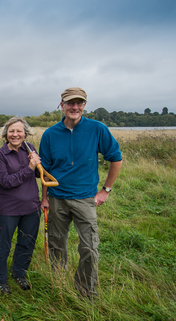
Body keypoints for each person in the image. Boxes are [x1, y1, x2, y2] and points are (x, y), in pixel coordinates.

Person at [39, 87, 123, 299]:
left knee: (89, 247)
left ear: (84, 105)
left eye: (79, 103)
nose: (74, 107)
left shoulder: (97, 129)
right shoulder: (50, 134)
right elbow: (45, 172)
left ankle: (85, 290)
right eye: (70, 103)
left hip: (85, 198)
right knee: (57, 244)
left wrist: (105, 190)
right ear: (62, 105)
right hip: (57, 199)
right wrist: (44, 198)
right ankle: (59, 284)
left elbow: (116, 158)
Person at [0, 116, 42, 295]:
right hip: (9, 209)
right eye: (11, 131)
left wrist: (37, 163)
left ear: (25, 133)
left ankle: (19, 272)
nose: (15, 134)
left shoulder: (30, 149)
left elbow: (38, 175)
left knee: (26, 242)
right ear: (6, 134)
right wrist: (29, 167)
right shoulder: (0, 154)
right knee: (2, 245)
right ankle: (0, 279)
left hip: (32, 207)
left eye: (19, 131)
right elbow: (5, 181)